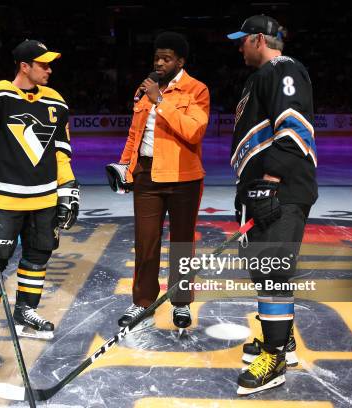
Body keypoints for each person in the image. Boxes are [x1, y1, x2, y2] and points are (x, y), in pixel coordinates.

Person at [0, 39, 79, 359]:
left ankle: (26, 311)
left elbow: (61, 153)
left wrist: (68, 190)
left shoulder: (56, 101)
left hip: (44, 200)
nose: (49, 69)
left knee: (37, 258)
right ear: (24, 66)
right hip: (4, 201)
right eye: (43, 64)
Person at [226, 15, 318, 394]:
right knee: (265, 270)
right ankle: (281, 340)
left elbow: (294, 126)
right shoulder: (262, 76)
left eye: (243, 40)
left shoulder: (283, 68)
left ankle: (275, 358)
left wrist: (270, 182)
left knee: (272, 271)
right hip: (262, 189)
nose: (239, 46)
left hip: (278, 191)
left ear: (259, 39)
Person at [114, 31, 210, 335]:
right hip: (146, 174)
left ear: (180, 61)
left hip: (183, 178)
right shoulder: (144, 90)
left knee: (182, 243)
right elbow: (134, 133)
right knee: (145, 243)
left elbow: (193, 131)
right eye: (157, 57)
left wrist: (161, 102)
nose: (159, 62)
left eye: (166, 58)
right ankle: (142, 301)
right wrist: (124, 166)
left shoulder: (197, 90)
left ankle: (181, 301)